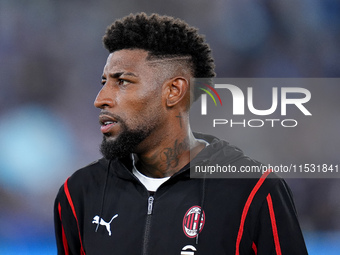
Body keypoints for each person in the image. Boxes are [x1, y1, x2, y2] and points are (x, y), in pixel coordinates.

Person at [54, 13, 308, 255]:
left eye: (122, 82)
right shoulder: (79, 193)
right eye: (104, 83)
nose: (101, 99)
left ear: (174, 91)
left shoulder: (254, 190)